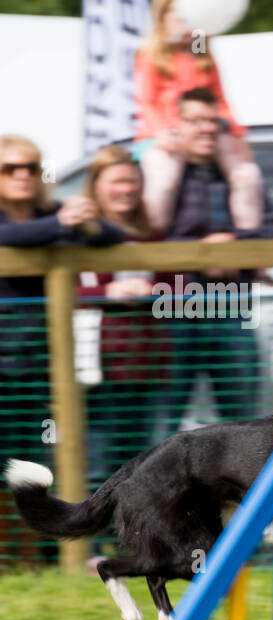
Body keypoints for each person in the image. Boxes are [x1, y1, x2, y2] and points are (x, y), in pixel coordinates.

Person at [0, 135, 126, 566]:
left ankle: (32, 560)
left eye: (30, 168)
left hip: (43, 365)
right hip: (5, 361)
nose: (21, 176)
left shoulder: (54, 212)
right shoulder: (47, 220)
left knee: (34, 463)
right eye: (10, 169)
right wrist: (66, 223)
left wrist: (86, 219)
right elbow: (12, 236)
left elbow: (111, 235)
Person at [156, 87, 273, 438]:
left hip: (232, 306)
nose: (206, 129)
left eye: (212, 120)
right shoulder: (158, 174)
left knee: (242, 424)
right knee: (160, 423)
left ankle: (239, 492)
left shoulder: (240, 174)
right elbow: (142, 233)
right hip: (170, 309)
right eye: (194, 120)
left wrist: (233, 244)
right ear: (176, 124)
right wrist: (201, 254)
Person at [78, 145, 169, 484]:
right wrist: (107, 293)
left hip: (150, 369)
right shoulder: (79, 232)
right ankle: (90, 538)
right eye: (116, 181)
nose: (126, 189)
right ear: (96, 184)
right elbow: (62, 289)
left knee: (147, 470)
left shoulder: (153, 233)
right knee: (98, 468)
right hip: (98, 372)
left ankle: (134, 537)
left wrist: (151, 293)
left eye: (132, 181)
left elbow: (177, 288)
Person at [135, 0, 262, 235]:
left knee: (246, 175)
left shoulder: (202, 56)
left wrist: (238, 135)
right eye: (178, 18)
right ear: (162, 20)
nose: (184, 25)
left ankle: (250, 238)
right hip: (166, 135)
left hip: (207, 131)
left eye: (188, 19)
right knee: (163, 180)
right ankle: (152, 238)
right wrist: (162, 133)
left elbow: (220, 101)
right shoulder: (152, 56)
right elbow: (147, 102)